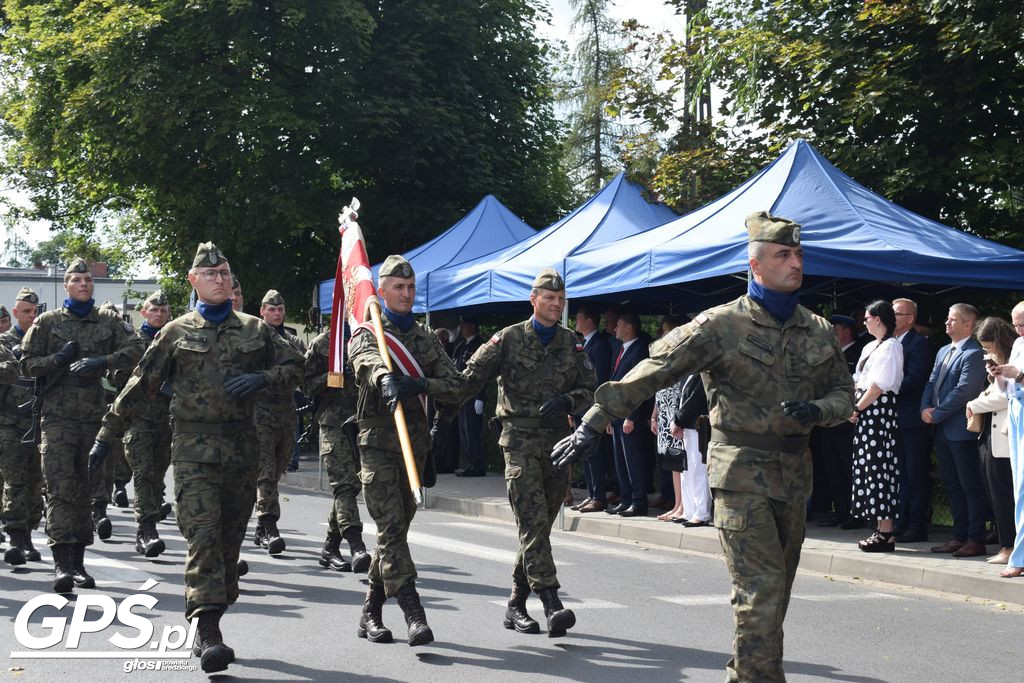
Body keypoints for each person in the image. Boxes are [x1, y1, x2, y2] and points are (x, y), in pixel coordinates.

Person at [552, 211, 854, 681]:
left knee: (776, 597)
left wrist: (819, 411)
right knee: (760, 594)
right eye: (783, 255)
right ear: (755, 266)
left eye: (798, 254)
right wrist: (594, 422)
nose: (795, 263)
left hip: (795, 476)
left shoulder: (816, 329)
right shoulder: (719, 325)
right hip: (739, 475)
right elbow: (652, 370)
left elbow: (843, 393)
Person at [92, 242, 303, 673]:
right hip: (192, 452)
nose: (219, 280)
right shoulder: (175, 332)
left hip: (243, 452)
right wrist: (106, 435)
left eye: (225, 273)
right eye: (210, 275)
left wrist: (263, 377)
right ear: (193, 281)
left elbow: (298, 367)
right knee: (203, 539)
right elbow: (139, 385)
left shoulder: (255, 330)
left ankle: (209, 614)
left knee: (227, 550)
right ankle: (209, 634)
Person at [442, 267, 596, 637]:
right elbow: (468, 379)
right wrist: (435, 414)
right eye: (549, 298)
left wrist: (568, 401)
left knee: (538, 528)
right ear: (533, 300)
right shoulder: (508, 339)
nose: (556, 304)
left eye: (560, 299)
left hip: (557, 445)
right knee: (531, 522)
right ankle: (551, 600)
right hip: (519, 443)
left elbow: (591, 389)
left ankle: (514, 605)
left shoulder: (571, 343)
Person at [349, 255, 464, 647]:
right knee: (392, 530)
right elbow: (364, 362)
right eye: (398, 287)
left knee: (390, 538)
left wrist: (419, 385)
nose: (406, 294)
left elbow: (456, 385)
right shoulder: (367, 332)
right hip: (378, 447)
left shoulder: (423, 338)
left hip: (413, 449)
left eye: (411, 287)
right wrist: (385, 377)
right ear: (381, 292)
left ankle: (369, 613)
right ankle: (415, 614)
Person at [20, 257, 145, 593]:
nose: (83, 284)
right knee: (60, 489)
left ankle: (78, 562)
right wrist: (58, 360)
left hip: (93, 414)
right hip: (57, 417)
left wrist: (102, 361)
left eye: (88, 280)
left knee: (87, 489)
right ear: (66, 285)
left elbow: (137, 348)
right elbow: (28, 364)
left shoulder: (108, 321)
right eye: (76, 280)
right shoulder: (47, 322)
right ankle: (61, 564)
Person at [922, 304, 989, 557]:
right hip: (941, 428)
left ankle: (975, 538)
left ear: (968, 325)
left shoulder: (974, 353)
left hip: (961, 430)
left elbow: (964, 392)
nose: (947, 323)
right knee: (951, 483)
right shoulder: (942, 351)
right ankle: (958, 535)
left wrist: (935, 414)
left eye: (953, 320)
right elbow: (931, 382)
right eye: (947, 319)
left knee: (969, 484)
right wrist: (924, 408)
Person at [303, 326, 371, 573]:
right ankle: (357, 545)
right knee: (343, 485)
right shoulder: (324, 343)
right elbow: (306, 384)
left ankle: (330, 547)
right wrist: (332, 376)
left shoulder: (369, 337)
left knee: (352, 487)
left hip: (363, 424)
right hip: (333, 423)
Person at [252, 289, 307, 555]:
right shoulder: (252, 339)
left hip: (287, 413)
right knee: (265, 471)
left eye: (280, 309)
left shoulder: (294, 342)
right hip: (259, 414)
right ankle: (270, 526)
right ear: (262, 311)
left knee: (276, 472)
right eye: (271, 309)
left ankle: (261, 528)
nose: (276, 313)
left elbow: (309, 367)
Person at [847, 300, 904, 552]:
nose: (864, 322)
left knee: (880, 468)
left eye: (867, 317)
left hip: (879, 412)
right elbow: (859, 380)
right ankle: (879, 528)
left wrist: (858, 407)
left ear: (878, 319)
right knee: (869, 469)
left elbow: (878, 385)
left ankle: (887, 531)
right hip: (866, 408)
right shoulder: (872, 345)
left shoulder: (891, 346)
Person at [122, 290, 174, 558]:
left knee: (156, 477)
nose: (159, 315)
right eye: (154, 310)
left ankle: (148, 523)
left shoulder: (174, 342)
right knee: (142, 475)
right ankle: (147, 530)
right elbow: (115, 377)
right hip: (138, 419)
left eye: (163, 312)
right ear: (143, 312)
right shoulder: (132, 342)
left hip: (167, 420)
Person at [966, 317, 1016, 566]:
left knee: (1005, 494)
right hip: (990, 433)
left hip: (1006, 435)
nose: (987, 351)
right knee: (994, 492)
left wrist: (973, 404)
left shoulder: (1015, 356)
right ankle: (1005, 543)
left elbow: (1006, 397)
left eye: (988, 346)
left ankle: (1010, 546)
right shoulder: (997, 360)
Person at [0, 287, 43, 565]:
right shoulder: (5, 342)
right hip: (10, 424)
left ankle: (27, 533)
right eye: (26, 312)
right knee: (14, 483)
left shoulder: (46, 342)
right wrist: (16, 359)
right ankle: (16, 537)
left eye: (35, 311)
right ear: (15, 313)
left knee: (35, 484)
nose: (31, 316)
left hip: (40, 423)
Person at [812, 314, 864, 529]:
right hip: (828, 419)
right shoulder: (831, 354)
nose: (831, 332)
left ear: (846, 331)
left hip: (847, 419)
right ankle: (840, 510)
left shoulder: (858, 352)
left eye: (835, 328)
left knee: (848, 467)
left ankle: (855, 512)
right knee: (832, 468)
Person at [891, 298, 936, 543]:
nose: (891, 317)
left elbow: (915, 378)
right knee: (900, 475)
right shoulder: (889, 343)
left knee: (916, 474)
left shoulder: (918, 344)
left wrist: (886, 388)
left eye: (896, 313)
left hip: (912, 419)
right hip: (895, 419)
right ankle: (902, 520)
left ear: (910, 318)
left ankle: (917, 525)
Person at [989, 302, 1024, 578]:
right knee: (1017, 486)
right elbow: (1008, 387)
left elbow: (1020, 378)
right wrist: (999, 376)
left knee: (1022, 487)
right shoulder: (1018, 345)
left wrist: (1019, 375)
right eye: (1015, 324)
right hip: (1015, 411)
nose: (1018, 329)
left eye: (1023, 323)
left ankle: (1019, 556)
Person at [607, 311, 652, 517]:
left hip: (629, 416)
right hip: (617, 414)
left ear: (629, 328)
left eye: (619, 324)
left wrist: (631, 416)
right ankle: (626, 498)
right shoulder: (621, 349)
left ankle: (638, 501)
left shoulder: (639, 350)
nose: (614, 328)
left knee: (634, 461)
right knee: (621, 462)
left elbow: (639, 386)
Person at [572, 304, 613, 513]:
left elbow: (601, 380)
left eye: (579, 318)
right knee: (584, 453)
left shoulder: (600, 345)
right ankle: (591, 493)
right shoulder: (584, 343)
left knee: (594, 454)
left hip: (592, 409)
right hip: (581, 408)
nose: (576, 321)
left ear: (589, 321)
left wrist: (600, 409)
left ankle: (599, 496)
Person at [672, 370, 712, 527]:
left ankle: (702, 513)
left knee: (698, 470)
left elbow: (695, 401)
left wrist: (678, 420)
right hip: (686, 428)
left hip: (698, 426)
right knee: (686, 471)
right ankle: (689, 511)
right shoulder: (687, 373)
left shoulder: (704, 373)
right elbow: (680, 398)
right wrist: (676, 421)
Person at [452, 317, 486, 477]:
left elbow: (482, 373)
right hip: (462, 394)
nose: (462, 329)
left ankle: (477, 465)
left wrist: (480, 397)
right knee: (465, 431)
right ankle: (469, 463)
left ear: (472, 326)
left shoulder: (480, 344)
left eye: (464, 326)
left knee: (473, 431)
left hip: (473, 395)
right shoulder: (462, 345)